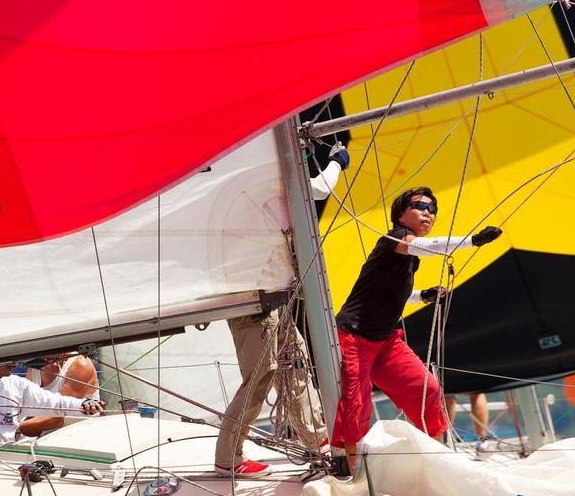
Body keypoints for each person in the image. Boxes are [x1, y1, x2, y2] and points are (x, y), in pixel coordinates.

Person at [331, 186, 502, 473]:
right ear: (400, 214)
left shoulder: (408, 258)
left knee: (427, 390)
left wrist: (421, 296)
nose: (428, 213)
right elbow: (429, 245)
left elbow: (387, 291)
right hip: (355, 336)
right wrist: (472, 241)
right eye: (420, 206)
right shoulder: (393, 239)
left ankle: (436, 467)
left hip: (385, 340)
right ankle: (356, 479)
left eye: (433, 209)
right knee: (357, 408)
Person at [214, 142, 349, 478]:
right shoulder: (259, 180)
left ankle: (317, 441)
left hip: (272, 292)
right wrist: (337, 163)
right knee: (261, 375)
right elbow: (317, 189)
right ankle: (227, 457)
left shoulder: (257, 181)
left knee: (298, 365)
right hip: (249, 297)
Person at [0, 361, 103, 444]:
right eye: (8, 359)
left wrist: (82, 405)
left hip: (8, 456)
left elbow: (55, 403)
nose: (15, 363)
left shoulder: (17, 383)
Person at [19, 353, 101, 437]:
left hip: (77, 435)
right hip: (41, 435)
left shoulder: (80, 364)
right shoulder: (35, 365)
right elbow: (28, 409)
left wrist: (16, 429)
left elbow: (57, 419)